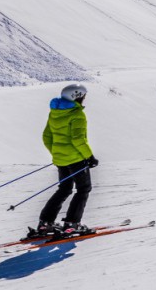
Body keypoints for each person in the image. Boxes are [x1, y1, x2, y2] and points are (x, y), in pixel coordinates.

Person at [36, 83, 99, 237]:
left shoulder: (55, 112)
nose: (84, 99)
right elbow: (78, 139)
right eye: (83, 96)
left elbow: (46, 137)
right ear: (76, 96)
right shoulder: (76, 114)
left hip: (61, 159)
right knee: (83, 189)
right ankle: (72, 224)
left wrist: (57, 154)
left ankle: (45, 223)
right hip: (76, 158)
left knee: (64, 189)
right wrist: (89, 157)